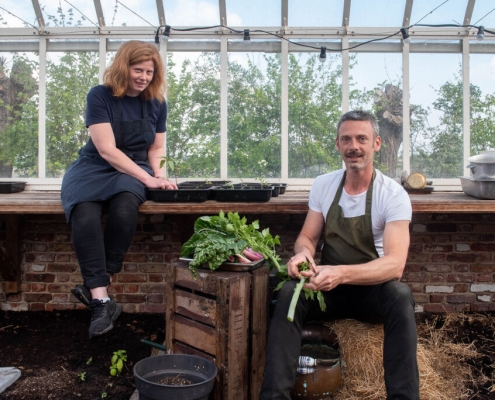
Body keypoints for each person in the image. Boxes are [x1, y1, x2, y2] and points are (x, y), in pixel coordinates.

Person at [260, 110, 419, 399]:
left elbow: (395, 266)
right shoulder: (324, 184)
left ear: (377, 143)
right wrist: (304, 256)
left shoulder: (393, 194)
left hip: (371, 292)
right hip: (327, 292)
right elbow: (307, 237)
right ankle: (274, 395)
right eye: (346, 139)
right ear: (337, 145)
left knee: (400, 295)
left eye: (361, 138)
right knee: (287, 293)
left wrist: (341, 273)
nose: (353, 146)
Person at [61, 40, 177, 339]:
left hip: (134, 168)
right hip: (94, 167)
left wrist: (160, 177)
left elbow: (158, 147)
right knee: (84, 213)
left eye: (149, 72)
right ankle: (101, 300)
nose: (143, 77)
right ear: (123, 67)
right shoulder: (100, 96)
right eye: (138, 70)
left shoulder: (157, 102)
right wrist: (148, 179)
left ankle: (99, 284)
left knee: (126, 208)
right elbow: (107, 150)